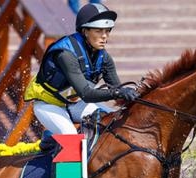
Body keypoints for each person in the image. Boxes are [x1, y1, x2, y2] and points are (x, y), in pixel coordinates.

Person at [24, 3, 137, 149]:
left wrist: (137, 95)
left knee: (114, 120)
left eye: (108, 31)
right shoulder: (65, 55)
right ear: (85, 31)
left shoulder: (104, 58)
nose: (104, 36)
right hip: (49, 106)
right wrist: (118, 92)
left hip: (74, 104)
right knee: (72, 139)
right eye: (98, 31)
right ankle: (66, 171)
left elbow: (118, 91)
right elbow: (87, 94)